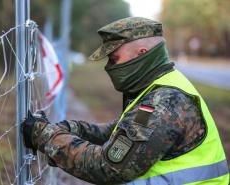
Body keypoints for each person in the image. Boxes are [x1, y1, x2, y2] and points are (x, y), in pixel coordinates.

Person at [22, 17, 229, 185]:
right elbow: (122, 133)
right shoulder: (159, 86)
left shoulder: (163, 103)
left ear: (141, 55)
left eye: (114, 59)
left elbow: (108, 168)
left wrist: (45, 135)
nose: (109, 67)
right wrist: (72, 128)